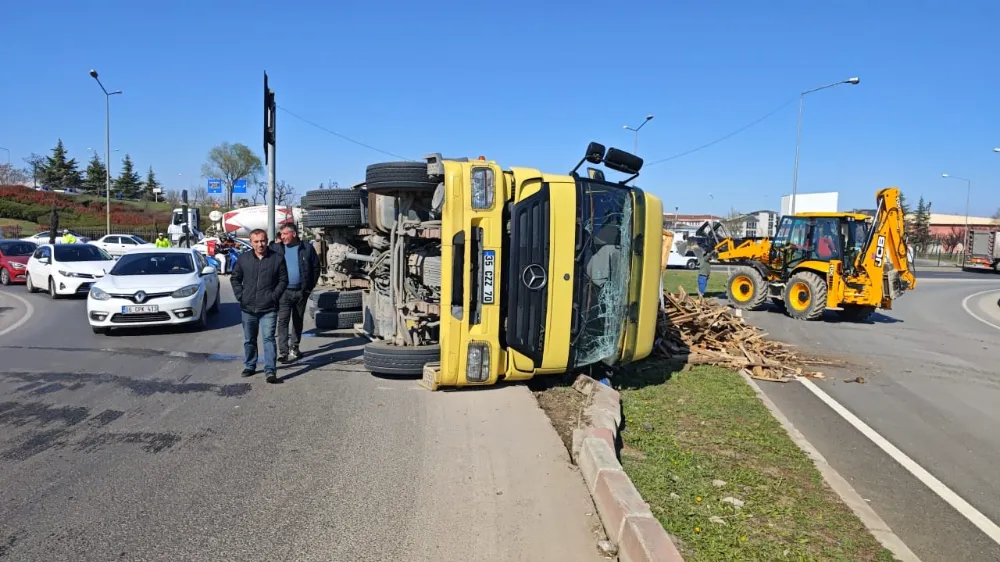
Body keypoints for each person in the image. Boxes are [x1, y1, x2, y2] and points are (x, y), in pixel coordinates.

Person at [231, 228, 288, 383]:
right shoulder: (243, 259)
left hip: (268, 308)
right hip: (248, 307)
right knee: (249, 339)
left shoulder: (277, 258)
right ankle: (250, 365)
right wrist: (240, 296)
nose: (260, 244)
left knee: (268, 339)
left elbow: (283, 280)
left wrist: (273, 296)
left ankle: (270, 371)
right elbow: (235, 279)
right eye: (256, 241)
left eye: (262, 240)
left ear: (266, 240)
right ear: (251, 243)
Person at [270, 223, 321, 363]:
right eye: (281, 234)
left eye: (285, 234)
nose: (283, 237)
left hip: (301, 292)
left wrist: (309, 288)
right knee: (283, 321)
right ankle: (284, 352)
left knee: (297, 320)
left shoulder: (306, 248)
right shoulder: (277, 248)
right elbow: (266, 252)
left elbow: (316, 268)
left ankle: (295, 348)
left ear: (294, 234)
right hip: (284, 292)